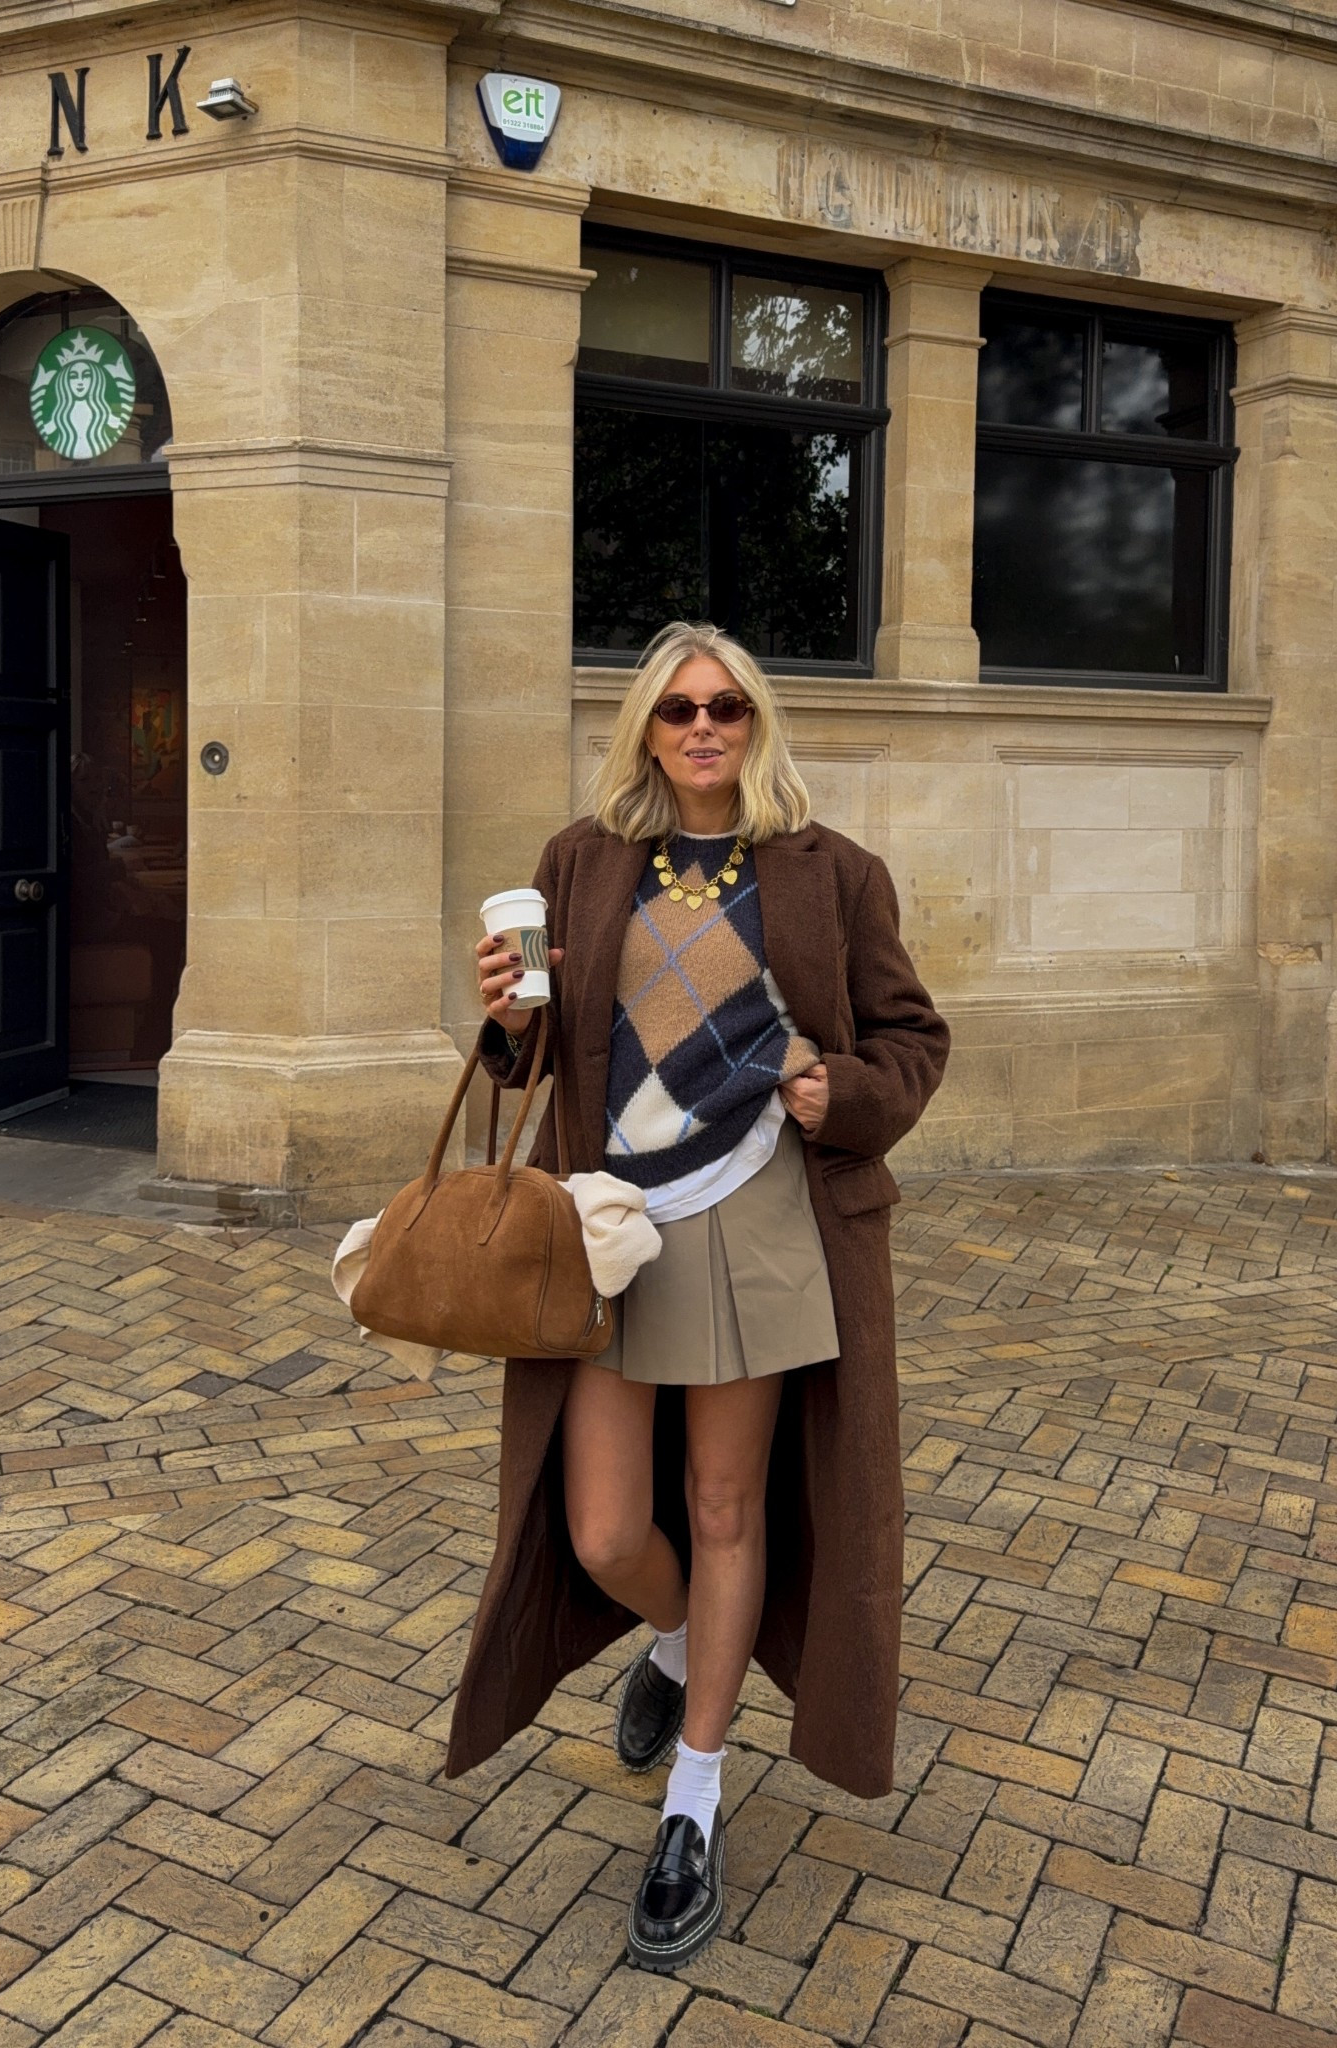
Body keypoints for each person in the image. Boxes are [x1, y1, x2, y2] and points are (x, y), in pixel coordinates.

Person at [444, 620, 948, 1973]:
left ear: (757, 722)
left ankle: (696, 1797)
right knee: (608, 1527)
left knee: (728, 1507)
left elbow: (911, 1038)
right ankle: (670, 1640)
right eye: (677, 711)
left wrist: (843, 1092)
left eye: (726, 706)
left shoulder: (834, 874)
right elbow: (536, 1052)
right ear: (645, 730)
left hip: (763, 1219)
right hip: (609, 1228)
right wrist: (502, 1016)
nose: (704, 728)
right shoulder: (582, 861)